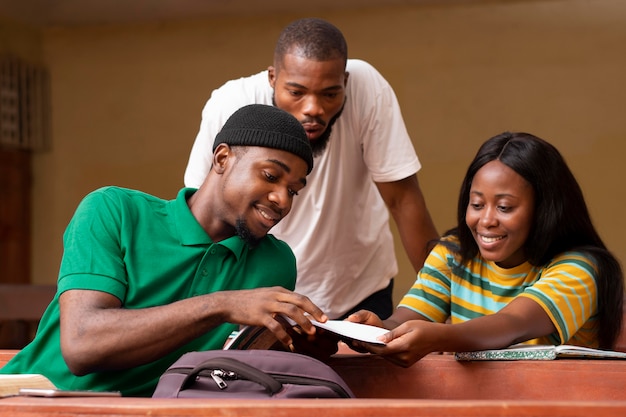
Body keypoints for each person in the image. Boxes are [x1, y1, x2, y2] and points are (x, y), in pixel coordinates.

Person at [0, 104, 330, 397]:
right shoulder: (114, 211)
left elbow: (246, 368)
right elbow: (82, 346)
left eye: (293, 191)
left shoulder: (275, 263)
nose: (282, 200)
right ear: (222, 159)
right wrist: (222, 306)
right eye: (271, 176)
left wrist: (343, 337)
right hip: (27, 402)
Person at [184, 18, 438, 320]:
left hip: (359, 289)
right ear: (272, 78)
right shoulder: (231, 103)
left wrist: (442, 306)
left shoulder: (367, 88)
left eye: (330, 94)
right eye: (296, 93)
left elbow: (403, 200)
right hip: (262, 292)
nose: (313, 109)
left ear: (345, 81)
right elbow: (205, 214)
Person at [347, 132, 624, 367]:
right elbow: (403, 321)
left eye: (504, 207)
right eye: (477, 205)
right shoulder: (452, 254)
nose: (486, 221)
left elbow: (513, 324)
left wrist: (439, 338)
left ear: (544, 210)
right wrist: (378, 329)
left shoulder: (580, 268)